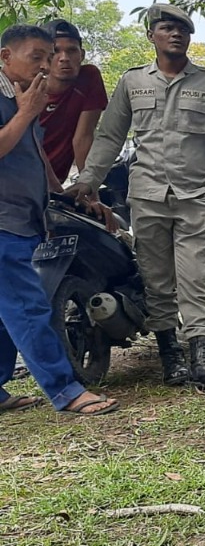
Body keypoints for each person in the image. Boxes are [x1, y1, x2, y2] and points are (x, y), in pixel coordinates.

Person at [69, 4, 205, 394]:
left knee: (196, 280)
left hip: (196, 197)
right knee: (157, 282)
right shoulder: (132, 83)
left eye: (182, 28)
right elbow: (111, 135)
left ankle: (202, 360)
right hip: (147, 197)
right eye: (166, 28)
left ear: (190, 37)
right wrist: (89, 179)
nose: (175, 34)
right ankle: (171, 360)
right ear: (152, 36)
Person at [0, 23, 120, 416]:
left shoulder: (21, 94)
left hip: (24, 216)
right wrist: (27, 114)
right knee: (28, 305)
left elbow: (35, 153)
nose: (47, 65)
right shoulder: (22, 101)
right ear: (5, 57)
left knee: (5, 315)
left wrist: (57, 197)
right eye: (37, 57)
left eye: (47, 58)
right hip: (3, 222)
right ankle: (65, 390)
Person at [37, 19, 108, 185]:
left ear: (81, 55)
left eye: (71, 51)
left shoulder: (88, 78)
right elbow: (30, 145)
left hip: (54, 187)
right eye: (55, 52)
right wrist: (55, 189)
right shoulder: (29, 87)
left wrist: (89, 187)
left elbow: (83, 138)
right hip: (18, 183)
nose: (64, 58)